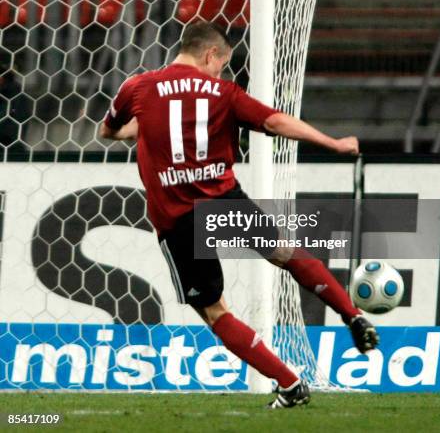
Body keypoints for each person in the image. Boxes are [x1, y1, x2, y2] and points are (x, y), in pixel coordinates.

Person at [100, 21, 379, 409]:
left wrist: (137, 128)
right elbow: (275, 121)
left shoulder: (137, 87)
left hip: (178, 217)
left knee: (215, 313)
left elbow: (107, 131)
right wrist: (331, 142)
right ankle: (352, 315)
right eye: (221, 64)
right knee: (286, 252)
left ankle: (290, 384)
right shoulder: (224, 93)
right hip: (224, 199)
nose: (220, 72)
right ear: (211, 54)